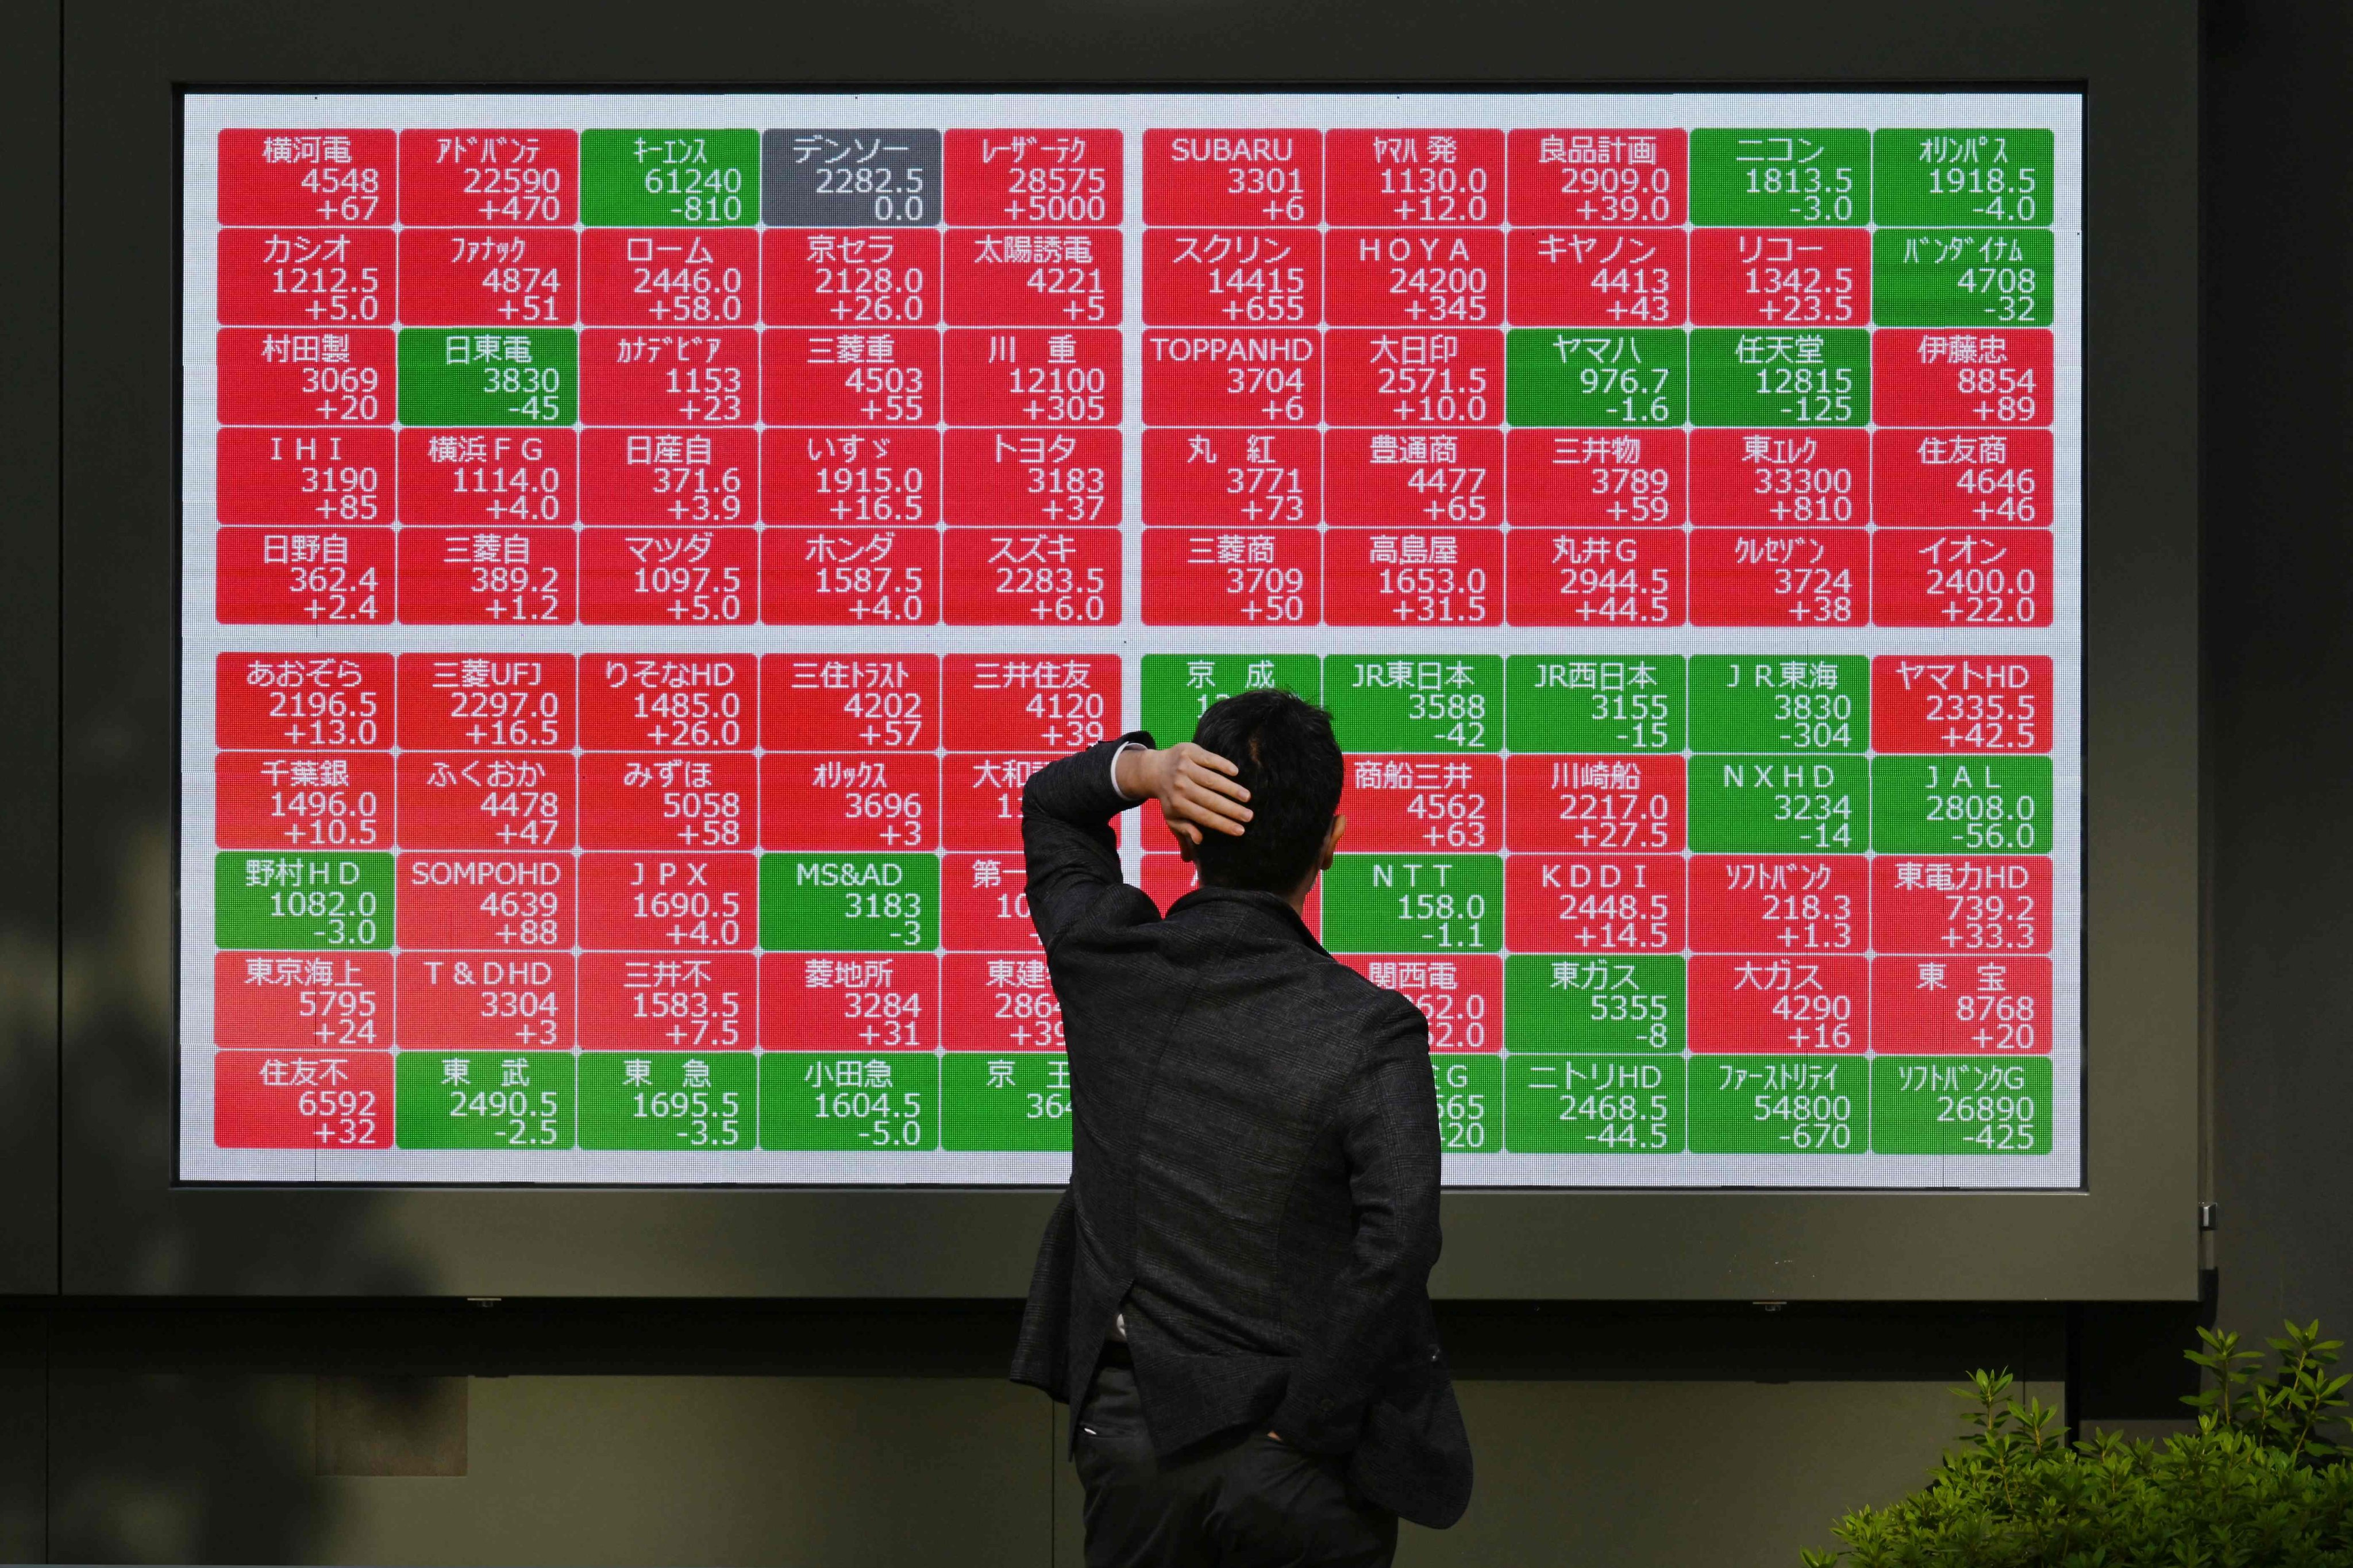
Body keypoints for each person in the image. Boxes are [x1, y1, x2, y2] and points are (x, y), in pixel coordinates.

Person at [1011, 688, 1472, 1567]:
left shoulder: (1108, 964)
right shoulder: (1371, 1027)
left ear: (1186, 832)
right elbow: (1400, 1241)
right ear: (1330, 843)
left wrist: (1146, 770)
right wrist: (1307, 1431)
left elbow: (1050, 803)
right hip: (1302, 1462)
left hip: (1133, 1439)